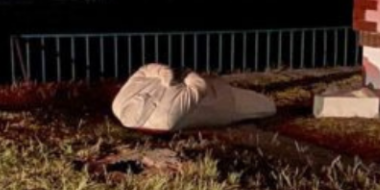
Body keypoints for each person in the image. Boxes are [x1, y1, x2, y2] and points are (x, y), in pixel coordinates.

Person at [112, 63, 276, 131]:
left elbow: (144, 70)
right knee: (267, 106)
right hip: (222, 103)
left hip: (216, 92)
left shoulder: (119, 104)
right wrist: (185, 72)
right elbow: (199, 87)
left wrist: (161, 71)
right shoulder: (166, 117)